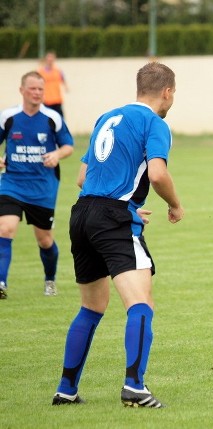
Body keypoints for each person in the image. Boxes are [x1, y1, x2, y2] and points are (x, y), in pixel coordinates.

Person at [52, 62, 184, 408]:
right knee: (141, 303)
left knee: (92, 306)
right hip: (113, 220)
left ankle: (66, 390)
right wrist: (175, 205)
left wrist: (125, 205)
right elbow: (157, 174)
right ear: (167, 92)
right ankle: (134, 387)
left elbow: (83, 177)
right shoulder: (154, 123)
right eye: (173, 94)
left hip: (82, 214)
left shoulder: (107, 117)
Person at [0, 71, 74, 300]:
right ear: (22, 90)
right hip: (11, 184)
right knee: (5, 229)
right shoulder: (8, 117)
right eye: (32, 88)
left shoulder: (52, 118)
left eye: (40, 89)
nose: (37, 93)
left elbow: (68, 146)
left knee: (45, 240)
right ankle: (1, 282)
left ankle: (49, 279)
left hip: (43, 188)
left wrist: (57, 155)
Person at [37, 51, 68, 118]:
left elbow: (63, 79)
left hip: (57, 100)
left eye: (52, 58)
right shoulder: (40, 71)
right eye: (49, 58)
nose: (50, 60)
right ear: (46, 59)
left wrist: (66, 87)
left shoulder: (58, 71)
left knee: (60, 119)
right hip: (46, 101)